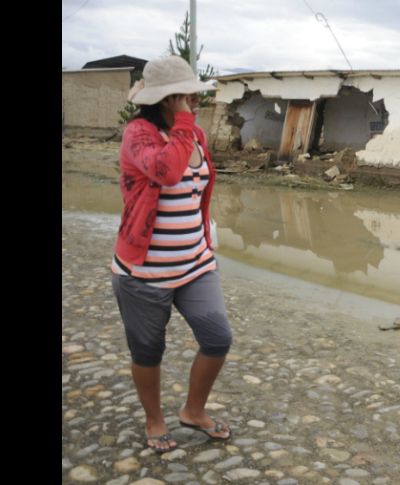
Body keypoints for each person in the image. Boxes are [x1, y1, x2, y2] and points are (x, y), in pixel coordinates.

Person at [111, 55, 232, 453]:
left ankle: (193, 411)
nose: (195, 103)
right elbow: (165, 172)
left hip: (196, 263)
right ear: (168, 98)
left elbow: (198, 188)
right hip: (143, 271)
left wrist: (204, 234)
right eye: (188, 96)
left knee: (217, 338)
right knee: (148, 350)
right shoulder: (138, 134)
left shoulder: (193, 134)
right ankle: (154, 419)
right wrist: (183, 125)